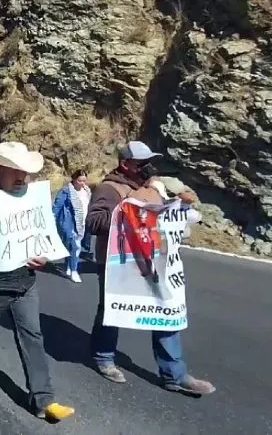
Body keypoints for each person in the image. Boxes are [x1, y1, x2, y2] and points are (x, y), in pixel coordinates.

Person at [0, 142, 75, 422]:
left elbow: (40, 231)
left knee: (33, 336)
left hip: (25, 282)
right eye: (15, 171)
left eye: (25, 171)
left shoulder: (30, 196)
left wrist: (43, 256)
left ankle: (44, 400)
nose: (22, 177)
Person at [86, 141, 215, 395]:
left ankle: (174, 374)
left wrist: (180, 206)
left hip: (153, 261)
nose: (148, 167)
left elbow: (163, 217)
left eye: (149, 162)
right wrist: (127, 212)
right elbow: (94, 222)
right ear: (125, 164)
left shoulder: (153, 187)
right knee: (112, 309)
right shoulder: (109, 188)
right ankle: (104, 357)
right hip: (118, 263)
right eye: (141, 163)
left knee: (165, 310)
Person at [51, 169, 91, 283]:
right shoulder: (66, 191)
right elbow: (57, 207)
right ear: (74, 179)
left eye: (84, 181)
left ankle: (69, 266)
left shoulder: (87, 191)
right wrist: (52, 220)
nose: (82, 183)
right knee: (75, 246)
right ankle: (74, 271)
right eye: (79, 181)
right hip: (69, 222)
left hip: (82, 222)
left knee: (71, 247)